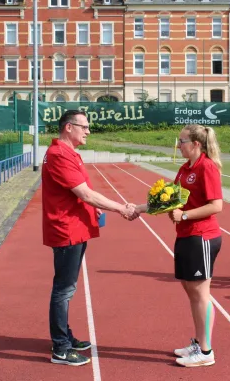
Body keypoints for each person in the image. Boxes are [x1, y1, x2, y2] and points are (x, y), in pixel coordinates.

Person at [42, 109, 137, 366]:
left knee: (67, 287)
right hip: (66, 229)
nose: (88, 131)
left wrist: (96, 209)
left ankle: (65, 337)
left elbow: (84, 193)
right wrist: (120, 208)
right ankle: (60, 348)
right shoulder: (59, 154)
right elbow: (84, 193)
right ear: (68, 127)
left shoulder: (71, 154)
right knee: (64, 290)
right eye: (84, 126)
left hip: (76, 227)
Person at [135, 124, 223, 367]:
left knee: (201, 294)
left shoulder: (207, 168)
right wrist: (139, 208)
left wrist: (185, 215)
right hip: (186, 236)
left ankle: (205, 352)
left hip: (202, 236)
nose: (178, 145)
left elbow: (217, 205)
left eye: (182, 141)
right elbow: (170, 200)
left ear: (196, 144)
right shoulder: (185, 169)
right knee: (192, 292)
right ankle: (198, 342)